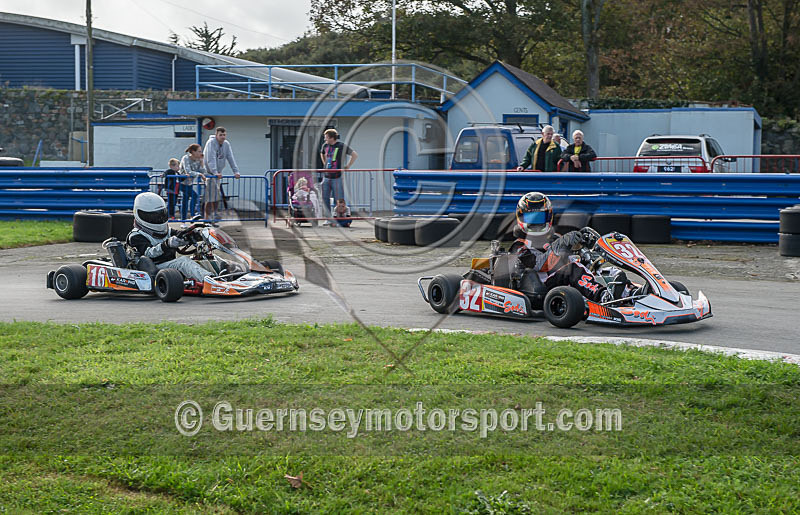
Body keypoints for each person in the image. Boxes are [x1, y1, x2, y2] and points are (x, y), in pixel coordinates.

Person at [509, 191, 639, 303]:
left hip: (561, 281)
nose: (535, 223)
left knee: (609, 271)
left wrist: (583, 247)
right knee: (573, 269)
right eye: (531, 218)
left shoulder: (554, 238)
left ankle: (632, 294)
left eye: (539, 217)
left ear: (549, 217)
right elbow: (541, 264)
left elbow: (569, 255)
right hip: (538, 288)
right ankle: (603, 296)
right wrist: (563, 244)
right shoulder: (519, 245)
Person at [126, 192, 213, 284]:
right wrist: (167, 244)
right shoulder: (136, 235)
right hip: (153, 269)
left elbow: (180, 235)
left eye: (160, 215)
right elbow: (148, 254)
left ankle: (224, 274)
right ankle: (210, 282)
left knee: (203, 258)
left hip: (169, 267)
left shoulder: (167, 230)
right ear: (139, 214)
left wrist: (195, 235)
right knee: (183, 262)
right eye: (153, 216)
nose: (158, 219)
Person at [319, 128, 358, 225]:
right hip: (326, 176)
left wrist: (348, 166)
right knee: (325, 198)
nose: (325, 139)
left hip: (337, 177)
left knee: (339, 199)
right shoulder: (325, 145)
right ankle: (328, 218)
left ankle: (340, 218)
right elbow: (322, 153)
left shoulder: (341, 146)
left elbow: (354, 154)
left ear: (332, 138)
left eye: (326, 137)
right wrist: (325, 164)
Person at [203, 126, 240, 223]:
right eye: (221, 135)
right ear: (216, 135)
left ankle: (214, 215)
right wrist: (215, 172)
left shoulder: (226, 144)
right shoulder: (211, 143)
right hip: (210, 173)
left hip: (217, 174)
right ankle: (207, 218)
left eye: (224, 135)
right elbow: (210, 158)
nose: (223, 137)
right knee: (210, 197)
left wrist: (236, 171)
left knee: (216, 196)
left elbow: (230, 157)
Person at [178, 144, 206, 225]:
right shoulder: (186, 158)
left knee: (185, 201)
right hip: (181, 182)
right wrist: (199, 175)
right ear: (193, 152)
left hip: (189, 183)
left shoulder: (198, 159)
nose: (201, 153)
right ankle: (192, 215)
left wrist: (201, 162)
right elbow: (188, 172)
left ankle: (184, 221)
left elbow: (203, 171)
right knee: (194, 196)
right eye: (199, 151)